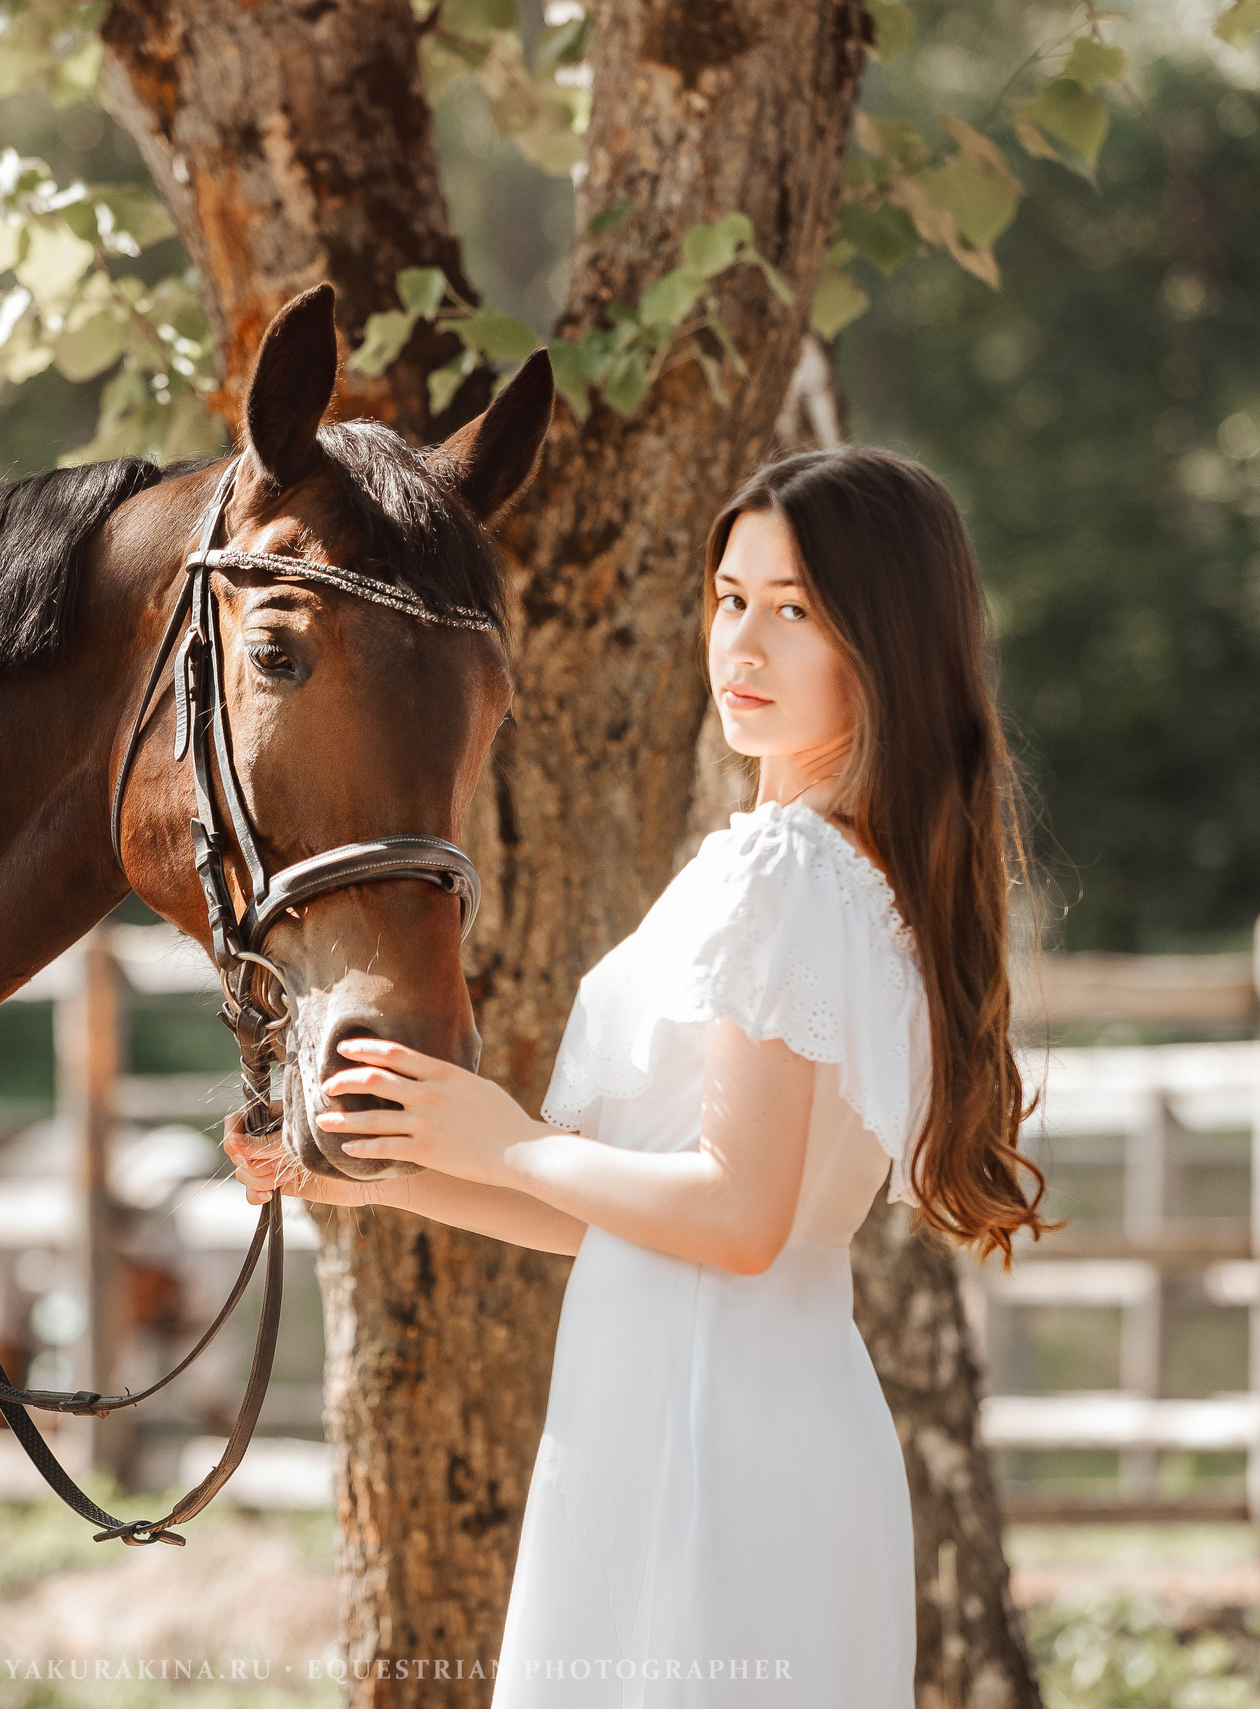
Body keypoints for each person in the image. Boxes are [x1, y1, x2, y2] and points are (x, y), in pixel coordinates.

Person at [224, 444, 1055, 1705]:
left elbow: (733, 1215)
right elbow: (624, 1216)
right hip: (724, 1420)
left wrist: (493, 1133)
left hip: (701, 1442)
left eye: (796, 611)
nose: (744, 645)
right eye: (730, 598)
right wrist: (386, 1175)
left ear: (882, 641)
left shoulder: (783, 871)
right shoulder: (846, 874)